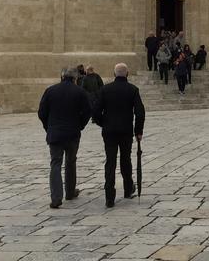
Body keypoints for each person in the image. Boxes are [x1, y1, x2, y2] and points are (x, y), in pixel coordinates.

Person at [38, 67, 92, 209]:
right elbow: (88, 111)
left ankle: (56, 197)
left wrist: (48, 127)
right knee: (70, 161)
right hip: (72, 132)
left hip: (55, 133)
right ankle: (69, 192)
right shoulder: (80, 92)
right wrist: (80, 124)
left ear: (61, 77)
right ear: (75, 79)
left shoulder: (50, 90)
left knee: (55, 163)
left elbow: (42, 112)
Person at [93, 63, 145, 208]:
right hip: (125, 130)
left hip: (109, 131)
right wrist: (138, 131)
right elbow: (140, 112)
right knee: (125, 159)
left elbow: (96, 111)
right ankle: (128, 189)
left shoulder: (105, 89)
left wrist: (103, 123)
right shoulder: (133, 89)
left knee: (110, 161)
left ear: (114, 74)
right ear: (127, 74)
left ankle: (109, 196)